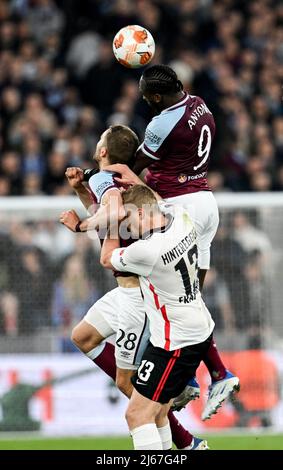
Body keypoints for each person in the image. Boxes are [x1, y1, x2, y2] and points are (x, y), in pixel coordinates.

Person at [104, 64, 239, 419]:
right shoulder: (200, 104)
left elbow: (137, 162)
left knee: (172, 300)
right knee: (191, 298)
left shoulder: (161, 123)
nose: (146, 101)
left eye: (148, 96)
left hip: (182, 207)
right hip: (207, 202)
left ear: (159, 96)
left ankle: (202, 377)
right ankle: (213, 374)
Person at [60, 125, 205, 450]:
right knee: (82, 336)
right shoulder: (130, 184)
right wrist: (81, 192)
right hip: (126, 291)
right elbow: (112, 219)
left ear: (102, 152)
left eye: (99, 141)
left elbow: (108, 223)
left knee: (131, 387)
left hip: (137, 297)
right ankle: (172, 424)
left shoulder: (104, 176)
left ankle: (181, 441)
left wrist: (81, 225)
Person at [100, 185, 215, 450]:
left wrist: (111, 217)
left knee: (136, 414)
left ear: (141, 213)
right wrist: (129, 186)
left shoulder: (147, 251)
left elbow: (107, 258)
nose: (129, 230)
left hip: (175, 344)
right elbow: (158, 200)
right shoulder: (181, 218)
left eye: (128, 222)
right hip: (195, 330)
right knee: (158, 412)